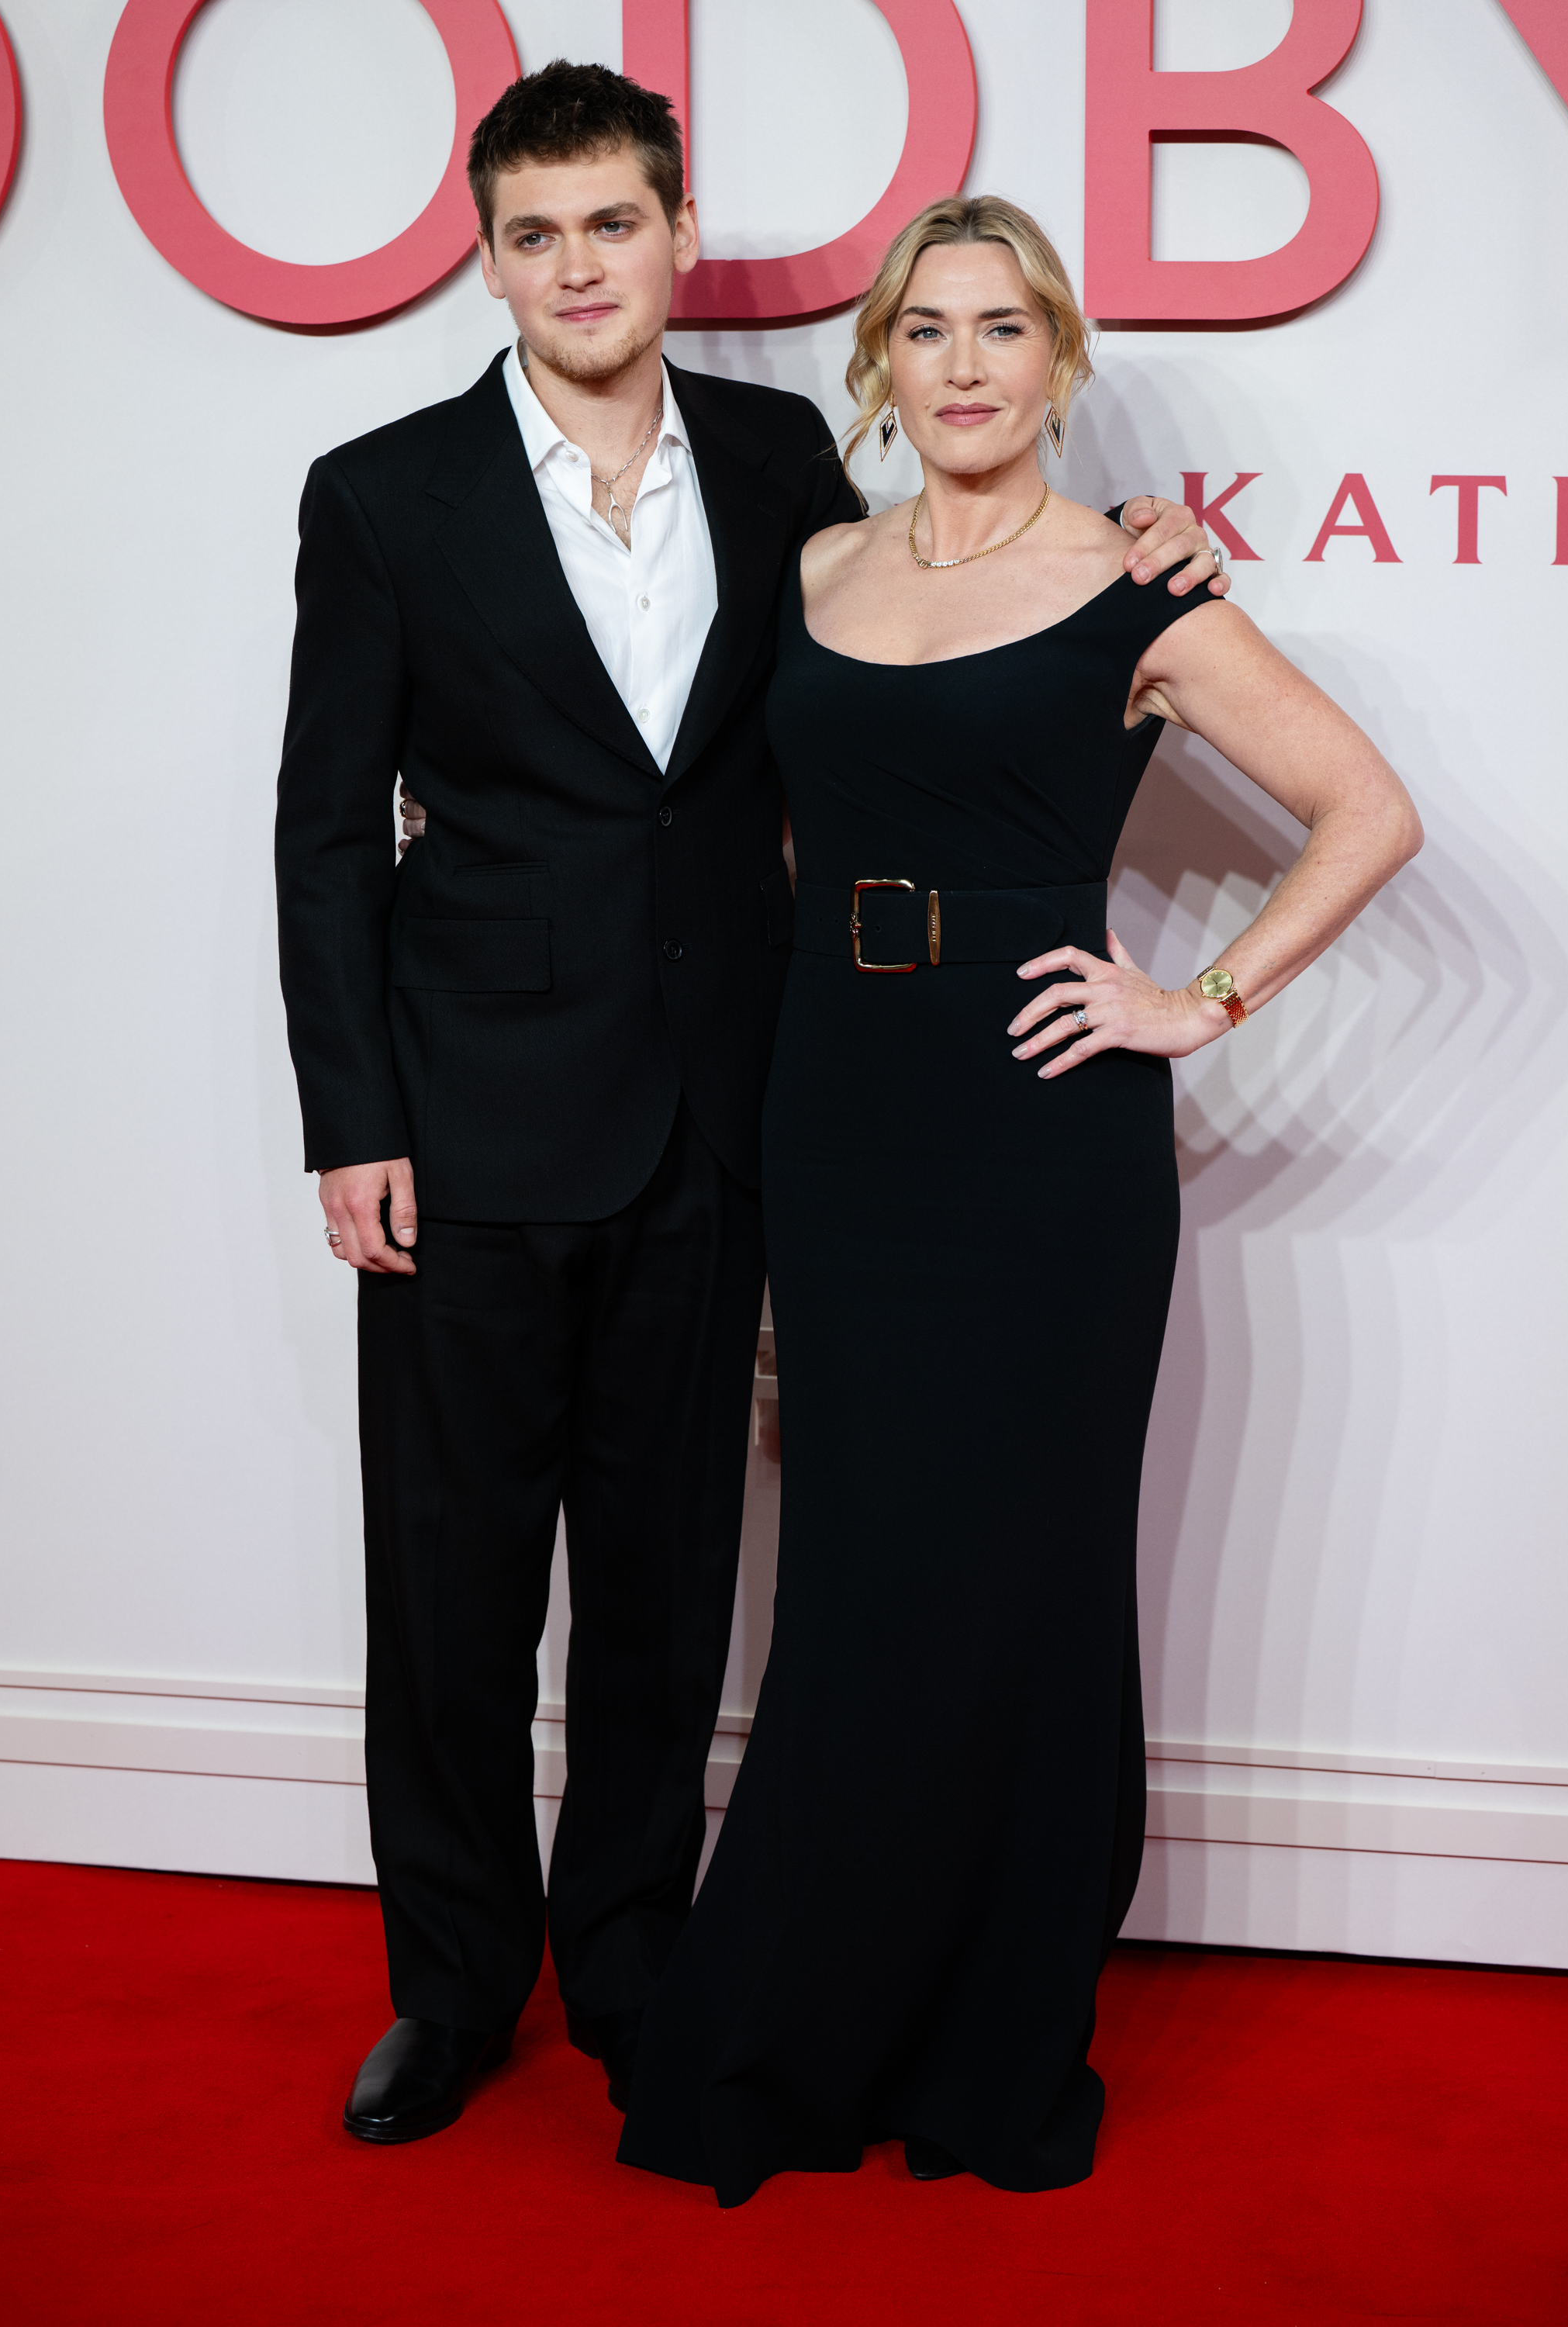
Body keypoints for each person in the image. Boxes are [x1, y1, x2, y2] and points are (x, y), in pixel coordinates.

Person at [275, 64, 1228, 2148]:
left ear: (676, 239)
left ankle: (628, 1955)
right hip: (466, 1130)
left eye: (612, 224)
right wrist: (355, 1119)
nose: (578, 264)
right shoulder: (381, 495)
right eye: (535, 234)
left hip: (730, 1123)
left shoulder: (790, 456)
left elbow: (942, 625)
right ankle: (452, 1985)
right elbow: (330, 833)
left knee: (663, 1583)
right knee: (445, 1592)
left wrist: (1147, 534)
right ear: (494, 256)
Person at [616, 193, 1422, 2206]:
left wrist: (1196, 1001)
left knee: (1027, 1583)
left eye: (1005, 328)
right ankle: (814, 2015)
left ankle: (989, 2040)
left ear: (1059, 361)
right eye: (930, 329)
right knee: (860, 1583)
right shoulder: (811, 562)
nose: (967, 363)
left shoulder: (1140, 588)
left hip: (1041, 1127)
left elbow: (1368, 811)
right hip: (841, 1101)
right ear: (881, 362)